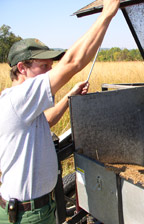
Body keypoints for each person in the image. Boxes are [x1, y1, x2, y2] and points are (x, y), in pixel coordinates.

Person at [0, 0, 120, 223]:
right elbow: (73, 61)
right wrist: (106, 15)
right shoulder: (18, 99)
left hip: (38, 209)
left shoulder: (23, 108)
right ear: (21, 68)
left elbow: (46, 120)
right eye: (43, 66)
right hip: (27, 215)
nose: (50, 71)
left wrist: (69, 97)